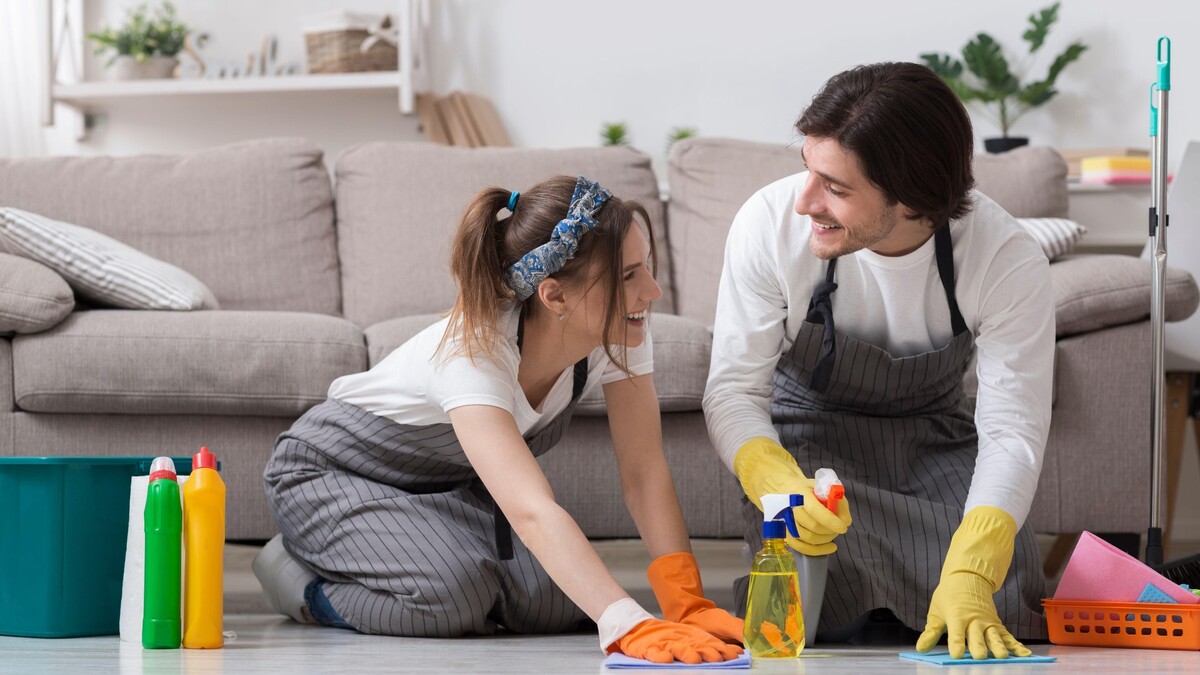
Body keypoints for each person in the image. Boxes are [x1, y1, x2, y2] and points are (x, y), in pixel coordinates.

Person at [253, 175, 744, 664]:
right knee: (451, 597)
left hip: (442, 488)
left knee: (553, 604)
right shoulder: (475, 352)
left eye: (647, 269)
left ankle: (410, 548)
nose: (652, 291)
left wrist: (686, 604)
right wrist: (625, 623)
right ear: (554, 297)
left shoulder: (620, 326)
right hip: (328, 475)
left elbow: (643, 470)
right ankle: (301, 578)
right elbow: (531, 509)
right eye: (629, 277)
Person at [703, 62, 1053, 660]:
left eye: (836, 188)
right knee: (801, 610)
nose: (804, 201)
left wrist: (976, 561)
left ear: (913, 199)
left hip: (932, 442)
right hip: (806, 444)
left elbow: (1011, 429)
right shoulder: (767, 223)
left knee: (1008, 588)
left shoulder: (1005, 257)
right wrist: (774, 480)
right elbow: (733, 391)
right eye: (808, 171)